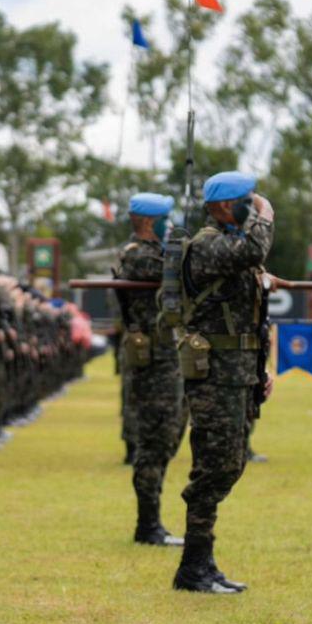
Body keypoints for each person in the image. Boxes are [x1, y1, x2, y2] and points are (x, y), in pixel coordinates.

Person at [172, 171, 274, 594]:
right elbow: (253, 247)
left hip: (236, 370)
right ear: (221, 207)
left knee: (230, 463)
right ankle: (193, 567)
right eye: (246, 201)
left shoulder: (228, 247)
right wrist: (266, 216)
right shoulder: (208, 244)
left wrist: (258, 368)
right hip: (215, 374)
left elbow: (250, 314)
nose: (253, 207)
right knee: (216, 466)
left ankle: (202, 561)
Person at [114, 193, 184, 547]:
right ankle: (148, 524)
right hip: (153, 362)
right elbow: (173, 270)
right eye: (165, 219)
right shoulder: (137, 255)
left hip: (168, 359)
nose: (169, 224)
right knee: (154, 442)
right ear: (147, 221)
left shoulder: (157, 253)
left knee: (169, 436)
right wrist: (178, 246)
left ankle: (152, 521)